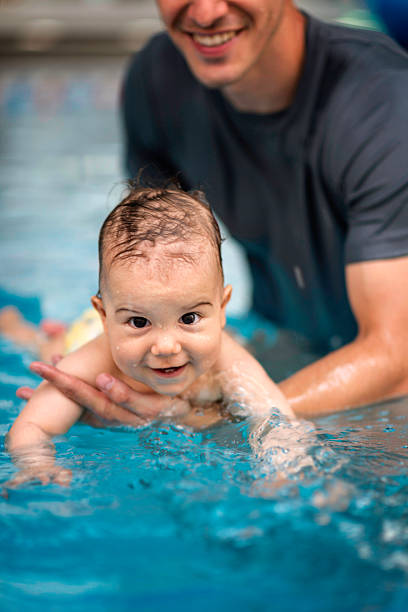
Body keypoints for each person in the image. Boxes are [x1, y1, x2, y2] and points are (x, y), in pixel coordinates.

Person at [15, 0, 408, 420]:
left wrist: (221, 419)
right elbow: (146, 263)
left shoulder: (383, 103)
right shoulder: (160, 79)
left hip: (378, 394)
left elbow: (396, 355)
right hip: (271, 346)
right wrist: (99, 341)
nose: (204, 13)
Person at [5, 183, 293, 486]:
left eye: (189, 317)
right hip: (86, 334)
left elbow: (276, 418)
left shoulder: (227, 356)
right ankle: (24, 331)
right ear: (105, 316)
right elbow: (33, 424)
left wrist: (285, 468)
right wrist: (36, 464)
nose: (166, 346)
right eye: (140, 322)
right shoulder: (94, 361)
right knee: (49, 350)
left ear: (222, 308)